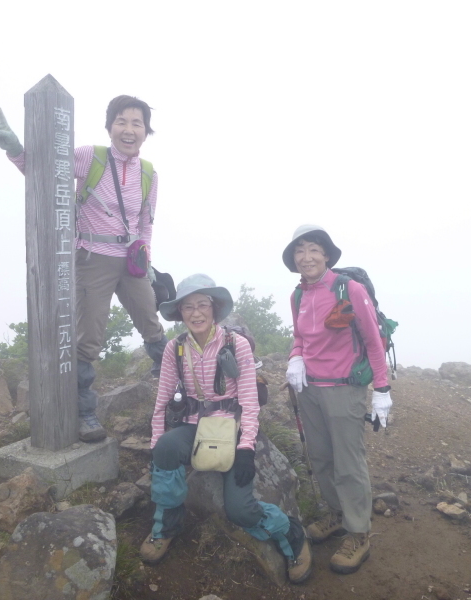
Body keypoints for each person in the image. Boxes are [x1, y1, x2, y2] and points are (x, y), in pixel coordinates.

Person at [0, 96, 168, 443]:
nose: (129, 129)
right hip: (91, 257)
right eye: (121, 121)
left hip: (131, 260)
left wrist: (146, 256)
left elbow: (146, 222)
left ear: (146, 131)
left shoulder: (148, 173)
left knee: (152, 323)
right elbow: (43, 170)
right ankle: (84, 414)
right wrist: (16, 149)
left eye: (137, 123)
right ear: (110, 125)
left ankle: (178, 387)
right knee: (88, 339)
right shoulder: (90, 156)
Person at [143, 273, 312, 584]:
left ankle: (291, 532)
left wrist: (246, 448)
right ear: (180, 313)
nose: (195, 313)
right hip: (194, 428)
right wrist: (156, 443)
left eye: (202, 305)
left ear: (214, 307)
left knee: (240, 511)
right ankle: (166, 525)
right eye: (188, 307)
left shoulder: (237, 345)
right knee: (166, 448)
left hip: (232, 431)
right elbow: (163, 399)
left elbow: (248, 400)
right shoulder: (175, 349)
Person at [282, 224, 393, 575]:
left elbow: (374, 341)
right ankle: (337, 514)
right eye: (300, 250)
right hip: (310, 391)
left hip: (345, 389)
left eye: (313, 249)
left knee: (348, 463)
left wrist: (382, 390)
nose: (306, 256)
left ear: (326, 255)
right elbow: (300, 337)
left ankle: (359, 533)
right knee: (321, 458)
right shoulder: (297, 295)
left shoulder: (348, 288)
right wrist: (295, 356)